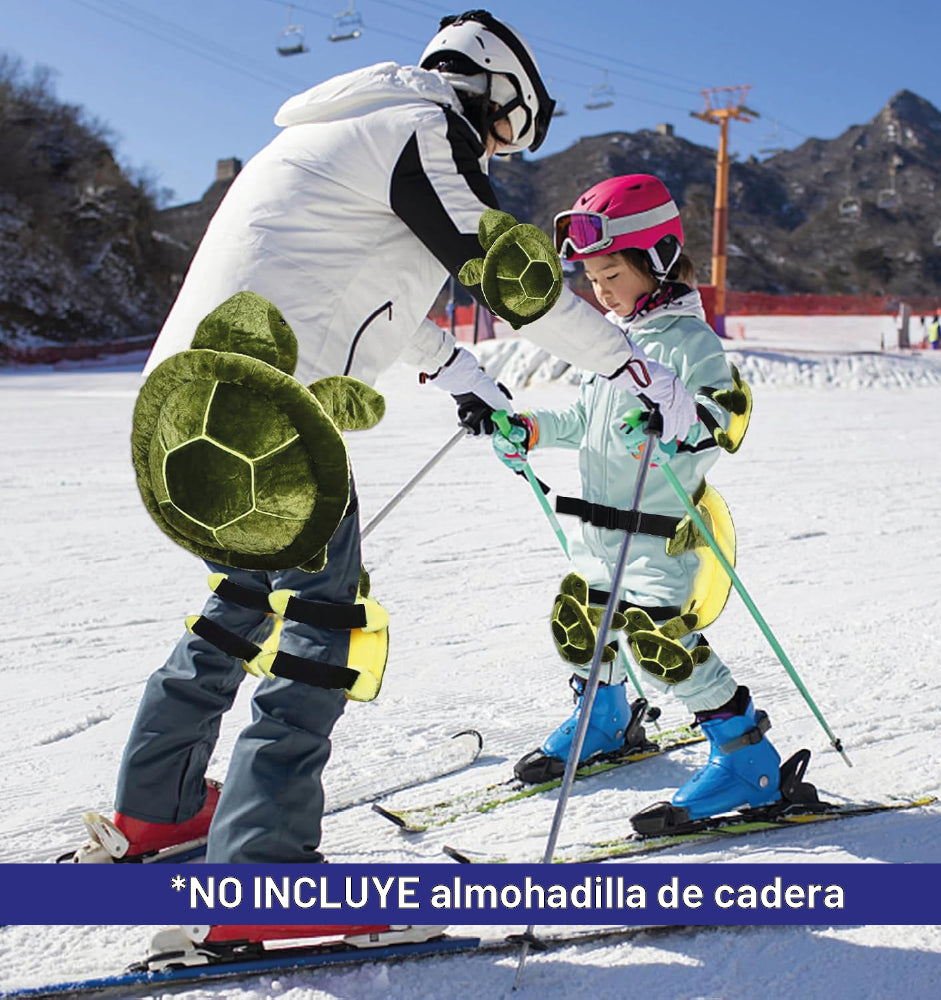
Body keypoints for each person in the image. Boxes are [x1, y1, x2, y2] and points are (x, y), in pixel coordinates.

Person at [74, 11, 692, 874]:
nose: (503, 150)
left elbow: (367, 289)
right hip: (268, 418)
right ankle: (267, 873)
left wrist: (455, 370)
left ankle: (159, 808)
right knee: (325, 627)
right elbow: (503, 268)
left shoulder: (336, 136)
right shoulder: (422, 127)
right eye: (511, 127)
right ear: (490, 86)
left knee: (240, 603)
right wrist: (630, 368)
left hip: (178, 420)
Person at [491, 174, 784, 833]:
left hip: (658, 531)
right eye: (590, 277)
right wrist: (533, 428)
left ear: (655, 258)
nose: (599, 289)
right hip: (601, 533)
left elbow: (722, 422)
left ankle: (746, 757)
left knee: (657, 640)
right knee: (579, 620)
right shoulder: (617, 343)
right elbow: (585, 417)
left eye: (611, 272)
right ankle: (606, 721)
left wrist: (674, 423)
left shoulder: (690, 344)